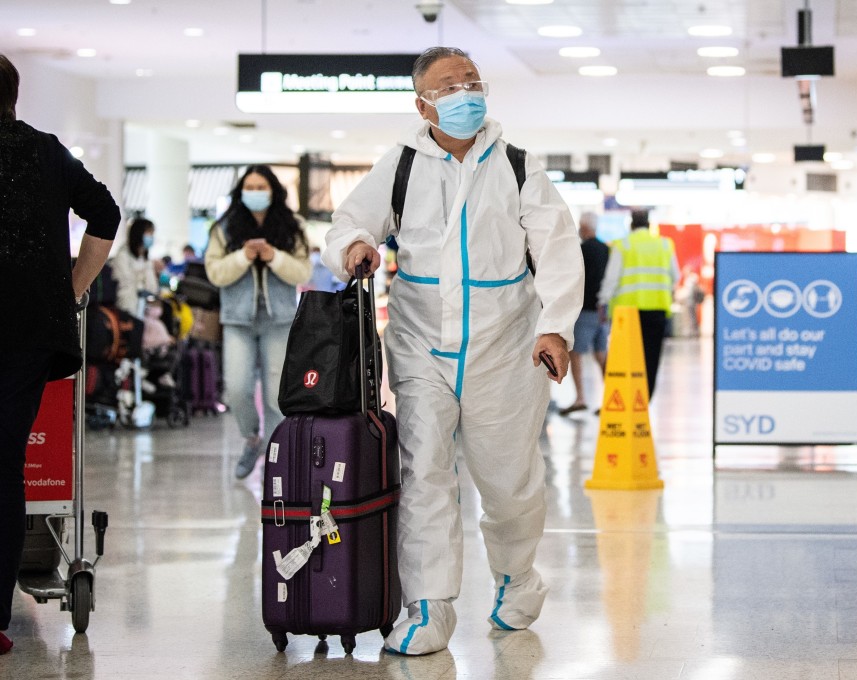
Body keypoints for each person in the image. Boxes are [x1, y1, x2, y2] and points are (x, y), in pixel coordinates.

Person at [322, 46, 583, 656]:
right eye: (449, 85)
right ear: (423, 103)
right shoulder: (403, 164)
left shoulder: (517, 165)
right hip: (419, 346)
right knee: (425, 476)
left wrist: (556, 327)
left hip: (507, 347)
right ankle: (430, 606)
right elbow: (347, 222)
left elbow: (558, 248)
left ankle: (517, 578)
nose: (466, 92)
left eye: (472, 81)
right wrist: (358, 245)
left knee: (508, 481)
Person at [0, 53, 120, 655]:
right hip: (26, 333)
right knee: (3, 468)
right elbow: (105, 211)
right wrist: (69, 286)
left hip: (23, 330)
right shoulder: (44, 150)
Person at [204, 165, 311, 479]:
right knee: (236, 388)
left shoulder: (293, 226)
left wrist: (273, 256)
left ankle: (278, 457)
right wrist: (244, 257)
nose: (255, 193)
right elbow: (215, 273)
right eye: (248, 187)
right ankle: (252, 438)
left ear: (273, 190)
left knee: (277, 394)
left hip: (278, 319)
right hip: (237, 321)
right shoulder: (224, 228)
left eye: (260, 187)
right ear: (240, 192)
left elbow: (302, 272)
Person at [599, 208, 679, 399]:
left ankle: (626, 399)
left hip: (627, 313)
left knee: (625, 358)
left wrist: (602, 302)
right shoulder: (664, 245)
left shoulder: (623, 245)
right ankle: (644, 400)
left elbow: (611, 279)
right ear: (649, 225)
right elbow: (675, 277)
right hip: (657, 310)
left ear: (631, 225)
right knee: (652, 358)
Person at [559, 212, 610, 416]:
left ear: (585, 228)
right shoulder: (607, 250)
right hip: (603, 311)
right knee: (601, 354)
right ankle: (611, 397)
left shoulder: (581, 251)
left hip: (585, 310)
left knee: (575, 353)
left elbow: (575, 279)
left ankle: (580, 398)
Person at [110, 217, 159, 316]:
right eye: (149, 232)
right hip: (126, 307)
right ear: (139, 233)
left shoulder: (146, 259)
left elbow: (152, 287)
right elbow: (124, 284)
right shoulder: (122, 256)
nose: (152, 237)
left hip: (142, 308)